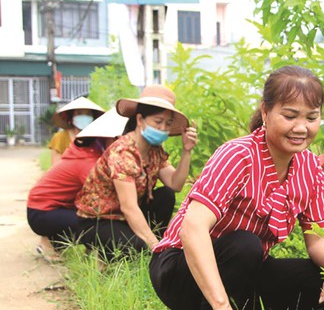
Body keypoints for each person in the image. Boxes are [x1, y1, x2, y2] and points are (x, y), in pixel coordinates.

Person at [149, 66, 324, 310]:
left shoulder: (310, 167)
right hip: (179, 269)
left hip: (243, 269)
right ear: (266, 113)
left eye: (311, 117)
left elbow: (318, 238)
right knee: (245, 245)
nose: (301, 127)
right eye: (290, 116)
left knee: (321, 275)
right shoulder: (239, 155)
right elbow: (192, 228)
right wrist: (221, 307)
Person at [75, 86, 197, 259]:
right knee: (139, 248)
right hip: (99, 220)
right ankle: (107, 253)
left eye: (167, 124)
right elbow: (129, 207)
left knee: (166, 195)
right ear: (140, 120)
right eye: (158, 121)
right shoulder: (123, 152)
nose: (162, 128)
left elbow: (175, 184)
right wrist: (155, 246)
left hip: (124, 216)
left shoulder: (154, 150)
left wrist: (187, 152)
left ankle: (148, 242)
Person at [27, 108, 128, 262]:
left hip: (51, 207)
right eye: (116, 139)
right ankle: (51, 241)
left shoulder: (91, 152)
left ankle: (53, 241)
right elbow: (106, 196)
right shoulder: (88, 162)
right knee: (95, 224)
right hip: (42, 212)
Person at [49, 96, 105, 165]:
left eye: (88, 114)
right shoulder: (60, 137)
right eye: (79, 113)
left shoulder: (99, 139)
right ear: (71, 117)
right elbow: (55, 165)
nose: (84, 117)